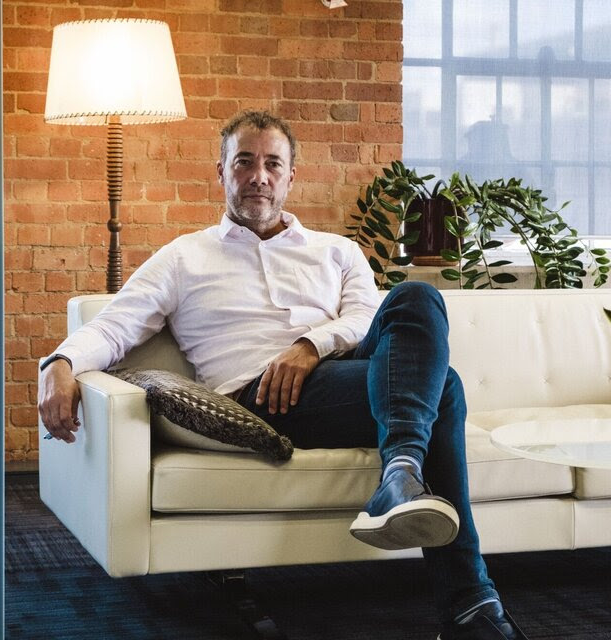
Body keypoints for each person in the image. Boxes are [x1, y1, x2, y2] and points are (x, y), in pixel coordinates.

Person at [38, 110, 529, 640]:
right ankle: (467, 602)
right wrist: (60, 363)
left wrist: (310, 346)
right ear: (221, 171)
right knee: (447, 389)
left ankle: (403, 479)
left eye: (273, 163)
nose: (259, 176)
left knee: (416, 295)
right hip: (261, 397)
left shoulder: (336, 251)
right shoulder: (182, 257)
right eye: (244, 162)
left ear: (292, 175)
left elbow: (366, 319)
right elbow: (113, 327)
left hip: (352, 376)